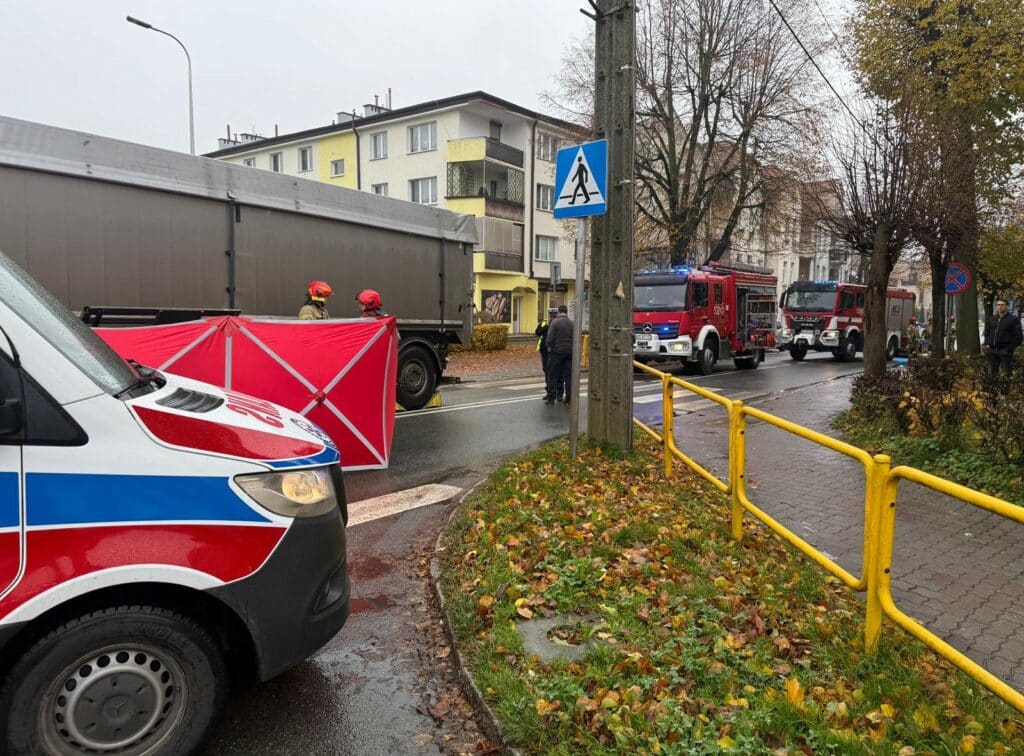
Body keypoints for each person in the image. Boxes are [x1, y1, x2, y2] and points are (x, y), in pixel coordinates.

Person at [983, 299, 1022, 377]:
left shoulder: (1013, 319)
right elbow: (986, 333)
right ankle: (991, 389)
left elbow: (1018, 337)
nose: (1000, 307)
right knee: (991, 374)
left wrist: (1008, 349)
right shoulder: (992, 319)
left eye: (1002, 305)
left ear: (1007, 306)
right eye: (998, 305)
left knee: (1006, 375)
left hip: (1005, 351)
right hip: (992, 351)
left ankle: (1005, 389)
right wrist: (987, 344)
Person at [545, 305, 573, 405]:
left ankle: (551, 398)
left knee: (552, 374)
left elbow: (550, 338)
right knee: (568, 376)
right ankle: (568, 399)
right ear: (566, 312)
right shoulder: (572, 323)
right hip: (569, 352)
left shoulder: (555, 322)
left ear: (559, 311)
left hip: (556, 352)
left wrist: (550, 348)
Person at [536, 307, 558, 400]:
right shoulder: (545, 323)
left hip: (554, 351)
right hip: (544, 351)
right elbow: (537, 333)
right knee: (546, 371)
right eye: (551, 316)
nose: (552, 317)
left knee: (553, 372)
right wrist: (544, 326)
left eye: (554, 316)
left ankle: (555, 393)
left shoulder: (557, 323)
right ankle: (549, 391)